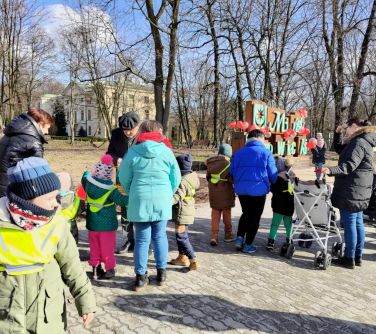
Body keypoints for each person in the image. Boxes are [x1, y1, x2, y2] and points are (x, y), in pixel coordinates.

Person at [0, 157, 96, 332]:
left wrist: (86, 300)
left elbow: (72, 265)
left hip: (48, 314)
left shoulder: (57, 222)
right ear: (27, 198)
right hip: (8, 315)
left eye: (56, 196)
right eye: (50, 197)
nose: (56, 203)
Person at [118, 120, 181, 291]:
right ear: (159, 132)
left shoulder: (133, 152)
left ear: (142, 132)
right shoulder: (167, 152)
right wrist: (168, 192)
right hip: (162, 198)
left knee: (142, 239)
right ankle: (161, 274)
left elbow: (123, 177)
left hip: (140, 199)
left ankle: (140, 277)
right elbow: (176, 177)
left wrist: (132, 191)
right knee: (160, 236)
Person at [323, 118, 375, 269]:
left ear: (353, 126)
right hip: (359, 189)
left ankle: (349, 258)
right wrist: (337, 133)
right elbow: (342, 151)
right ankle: (357, 256)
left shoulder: (358, 143)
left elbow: (349, 165)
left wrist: (330, 170)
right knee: (358, 222)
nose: (345, 130)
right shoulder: (363, 140)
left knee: (351, 223)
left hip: (352, 190)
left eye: (346, 128)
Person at [230, 129, 278, 254]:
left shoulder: (238, 153)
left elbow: (232, 171)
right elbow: (273, 174)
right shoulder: (266, 153)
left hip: (241, 190)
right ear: (261, 138)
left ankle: (239, 238)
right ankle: (248, 244)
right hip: (259, 190)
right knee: (255, 217)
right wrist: (275, 184)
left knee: (246, 213)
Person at [82, 154, 128, 280]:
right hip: (107, 226)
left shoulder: (88, 183)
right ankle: (109, 270)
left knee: (94, 247)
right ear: (109, 175)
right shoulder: (111, 190)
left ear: (97, 171)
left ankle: (95, 270)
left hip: (92, 224)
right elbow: (123, 201)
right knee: (107, 248)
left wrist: (90, 172)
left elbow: (85, 176)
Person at [107, 111, 141, 254]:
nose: (127, 133)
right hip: (122, 179)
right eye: (125, 130)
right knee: (125, 209)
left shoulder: (144, 135)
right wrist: (116, 159)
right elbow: (109, 153)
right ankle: (128, 240)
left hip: (140, 178)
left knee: (139, 209)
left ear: (138, 126)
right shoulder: (116, 134)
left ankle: (141, 241)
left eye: (130, 130)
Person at [0, 108, 54, 197]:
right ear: (40, 124)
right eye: (47, 128)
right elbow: (38, 174)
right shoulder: (33, 141)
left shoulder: (9, 134)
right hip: (13, 191)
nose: (47, 132)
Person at [170, 153, 200, 270]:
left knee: (181, 236)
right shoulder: (192, 177)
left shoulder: (183, 181)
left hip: (182, 212)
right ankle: (181, 258)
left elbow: (177, 196)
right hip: (188, 210)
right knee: (183, 234)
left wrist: (166, 202)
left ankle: (193, 259)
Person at [206, 143, 236, 246]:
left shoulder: (210, 163)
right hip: (226, 194)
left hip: (214, 193)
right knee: (227, 215)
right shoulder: (228, 164)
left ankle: (214, 236)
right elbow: (232, 179)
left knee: (215, 215)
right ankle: (228, 234)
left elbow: (208, 177)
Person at [266, 156, 296, 251]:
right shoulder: (294, 177)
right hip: (289, 205)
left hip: (277, 205)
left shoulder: (277, 177)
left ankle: (271, 242)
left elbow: (272, 189)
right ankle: (289, 240)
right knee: (289, 225)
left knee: (274, 224)